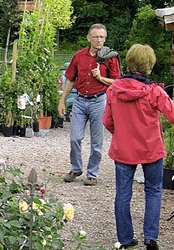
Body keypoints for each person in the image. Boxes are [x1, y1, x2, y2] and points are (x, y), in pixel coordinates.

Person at [102, 44, 174, 250]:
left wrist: (121, 135)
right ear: (149, 65)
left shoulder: (114, 89)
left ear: (129, 62)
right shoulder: (154, 91)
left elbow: (108, 121)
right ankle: (151, 236)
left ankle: (125, 238)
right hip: (151, 147)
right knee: (153, 190)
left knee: (122, 193)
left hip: (123, 148)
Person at [59, 24, 121, 186]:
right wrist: (62, 100)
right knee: (75, 138)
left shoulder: (109, 57)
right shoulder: (79, 56)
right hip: (79, 100)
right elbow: (70, 79)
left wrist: (100, 78)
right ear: (89, 38)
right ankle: (76, 168)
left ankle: (92, 174)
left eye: (102, 37)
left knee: (96, 141)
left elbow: (116, 82)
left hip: (99, 101)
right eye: (96, 37)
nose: (99, 40)